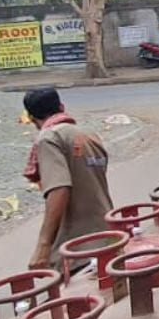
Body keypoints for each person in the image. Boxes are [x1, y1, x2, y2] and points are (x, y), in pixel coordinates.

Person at [22, 87, 114, 270]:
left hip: (77, 249)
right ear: (61, 107)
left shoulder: (49, 139)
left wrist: (43, 245)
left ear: (32, 118)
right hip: (109, 236)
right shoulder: (88, 134)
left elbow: (59, 189)